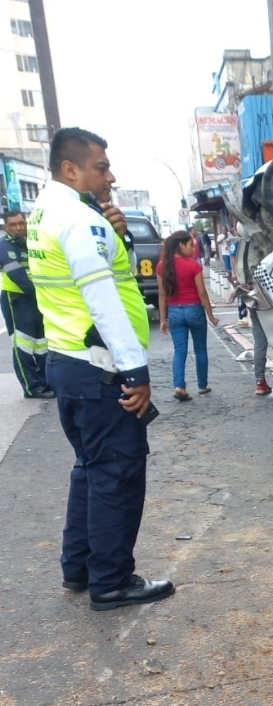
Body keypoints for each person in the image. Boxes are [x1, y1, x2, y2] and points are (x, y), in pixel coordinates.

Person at [27, 127, 173, 611]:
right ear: (71, 169)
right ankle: (112, 581)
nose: (109, 175)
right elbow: (103, 298)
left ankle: (81, 568)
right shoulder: (76, 218)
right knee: (117, 472)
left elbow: (112, 272)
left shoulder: (47, 210)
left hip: (68, 361)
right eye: (101, 167)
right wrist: (136, 372)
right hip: (100, 366)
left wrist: (120, 235)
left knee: (89, 469)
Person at [156, 231, 219, 400]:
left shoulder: (162, 266)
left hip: (174, 311)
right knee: (200, 349)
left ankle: (179, 386)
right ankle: (202, 386)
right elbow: (202, 293)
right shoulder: (193, 265)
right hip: (194, 310)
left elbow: (162, 294)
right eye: (190, 245)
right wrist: (211, 316)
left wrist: (163, 319)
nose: (193, 248)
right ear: (181, 246)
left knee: (179, 350)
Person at [1, 210, 52, 398]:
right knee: (22, 345)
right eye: (13, 225)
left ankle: (44, 383)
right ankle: (31, 388)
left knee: (41, 344)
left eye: (21, 223)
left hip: (36, 298)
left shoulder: (30, 244)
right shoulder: (4, 246)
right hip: (17, 299)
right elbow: (18, 276)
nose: (18, 228)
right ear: (6, 227)